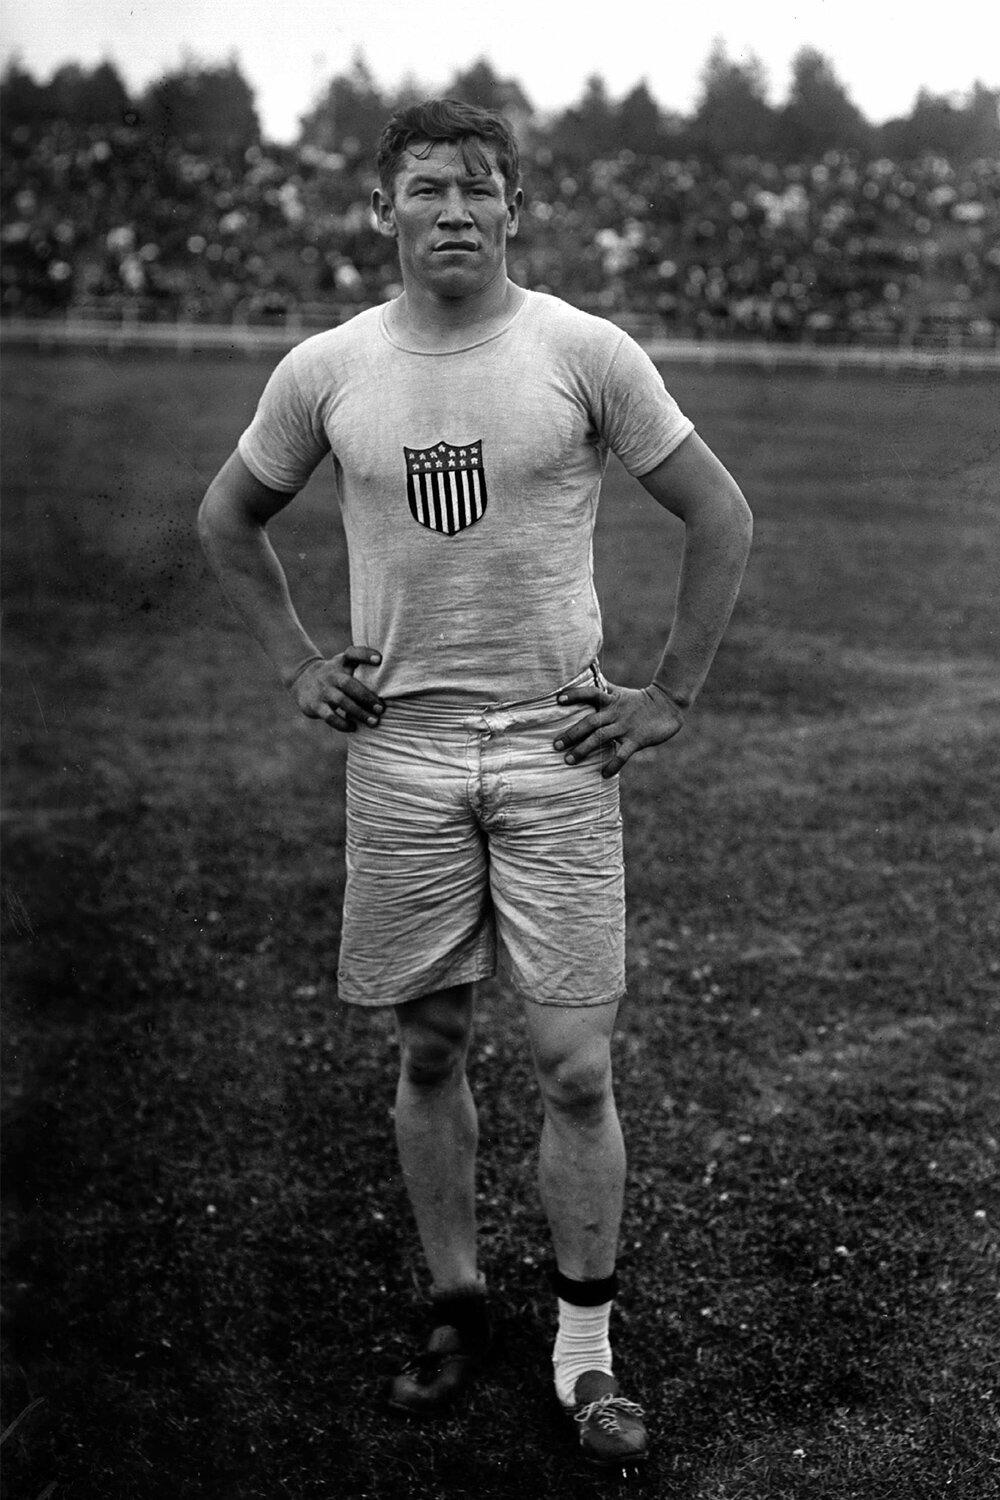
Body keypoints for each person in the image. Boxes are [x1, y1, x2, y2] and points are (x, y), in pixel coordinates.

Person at [198, 97, 752, 1468]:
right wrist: (294, 662)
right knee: (431, 1043)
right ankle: (455, 1301)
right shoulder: (329, 369)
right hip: (403, 754)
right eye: (429, 188)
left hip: (560, 748)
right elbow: (227, 520)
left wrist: (670, 692)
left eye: (481, 189)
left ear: (514, 211)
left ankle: (583, 1349)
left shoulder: (581, 352)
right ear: (383, 210)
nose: (456, 210)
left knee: (573, 1064)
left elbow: (718, 511)